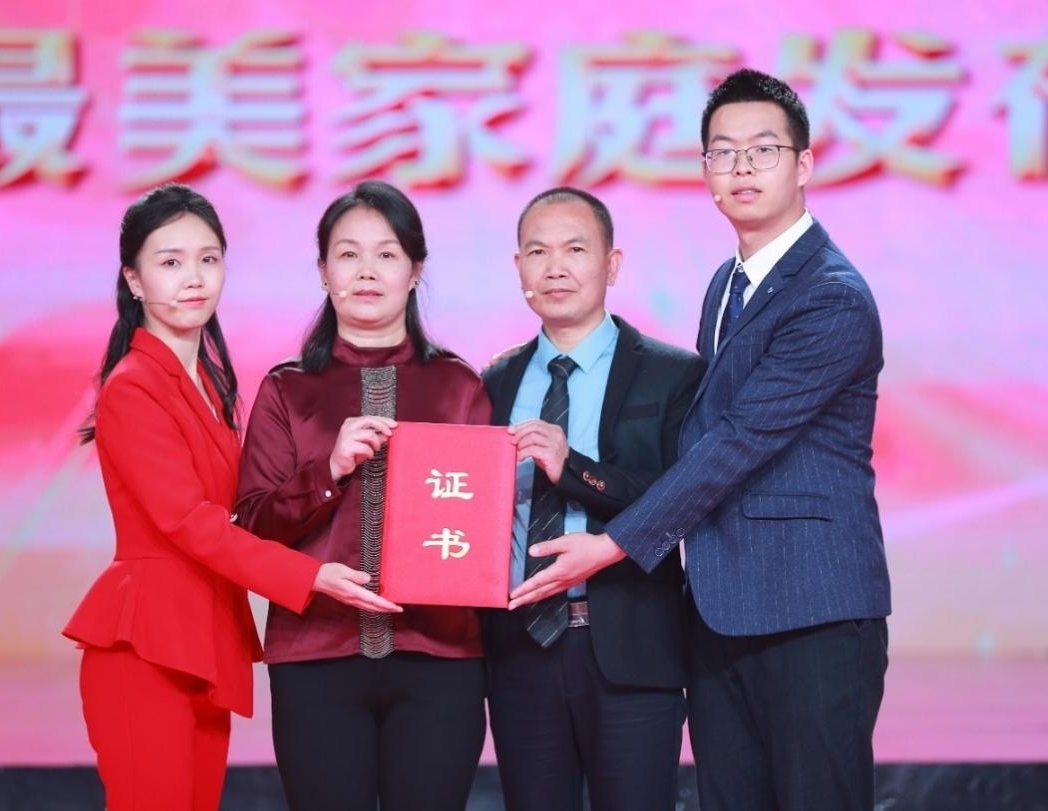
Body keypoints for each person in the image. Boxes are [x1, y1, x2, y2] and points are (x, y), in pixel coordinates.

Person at [509, 69, 892, 811]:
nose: (742, 168)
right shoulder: (727, 283)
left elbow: (738, 442)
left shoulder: (831, 297)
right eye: (723, 152)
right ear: (706, 170)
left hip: (811, 608)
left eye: (763, 150)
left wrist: (612, 543)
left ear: (804, 164)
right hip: (722, 611)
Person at [63, 184, 400, 811]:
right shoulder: (135, 385)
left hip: (201, 640)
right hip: (147, 644)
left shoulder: (207, 383)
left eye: (208, 259)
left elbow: (241, 509)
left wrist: (328, 470)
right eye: (170, 262)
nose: (193, 278)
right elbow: (190, 522)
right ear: (133, 280)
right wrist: (310, 574)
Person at [233, 180, 490, 811]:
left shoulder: (458, 385)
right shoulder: (287, 389)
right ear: (324, 271)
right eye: (348, 254)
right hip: (315, 654)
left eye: (386, 253)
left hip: (440, 656)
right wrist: (328, 469)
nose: (366, 271)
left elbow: (484, 528)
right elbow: (252, 527)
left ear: (415, 270)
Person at [482, 187, 705, 810]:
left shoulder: (672, 373)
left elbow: (683, 495)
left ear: (612, 264)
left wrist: (572, 467)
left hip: (631, 649)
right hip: (521, 648)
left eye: (575, 249)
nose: (555, 267)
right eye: (538, 252)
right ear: (519, 268)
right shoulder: (492, 382)